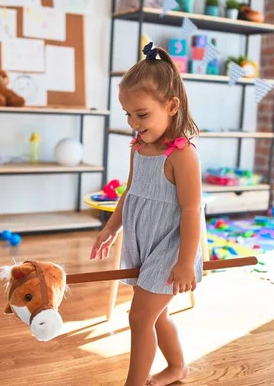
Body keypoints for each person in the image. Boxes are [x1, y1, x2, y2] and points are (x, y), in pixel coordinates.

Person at [90, 42, 204, 386]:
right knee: (156, 315)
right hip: (144, 242)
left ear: (171, 106)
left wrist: (185, 262)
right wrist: (111, 227)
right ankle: (177, 368)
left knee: (140, 318)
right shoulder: (138, 147)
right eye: (127, 114)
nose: (133, 123)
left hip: (171, 248)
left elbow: (191, 210)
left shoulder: (182, 156)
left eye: (141, 115)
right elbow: (131, 191)